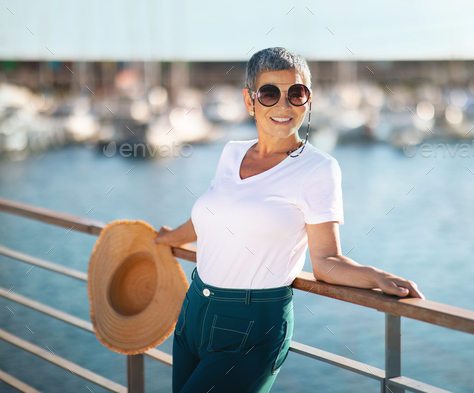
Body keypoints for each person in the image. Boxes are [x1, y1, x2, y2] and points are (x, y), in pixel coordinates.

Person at [153, 47, 425, 393]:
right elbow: (213, 216)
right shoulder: (231, 152)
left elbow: (326, 261)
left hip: (252, 327)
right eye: (269, 93)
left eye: (296, 93)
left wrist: (375, 276)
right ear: (250, 102)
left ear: (307, 101)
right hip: (194, 311)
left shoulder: (318, 169)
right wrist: (170, 238)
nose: (284, 105)